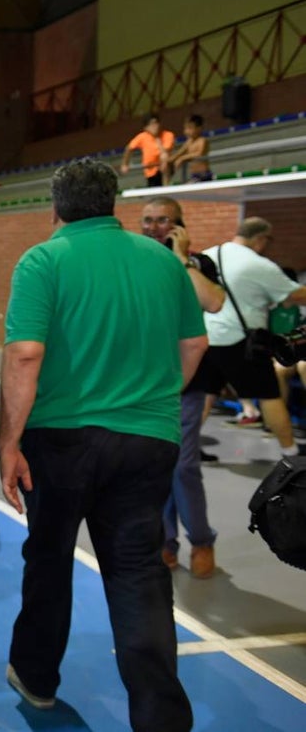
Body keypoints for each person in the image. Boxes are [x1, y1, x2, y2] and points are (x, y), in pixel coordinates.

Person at [0, 157, 203, 731]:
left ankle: (37, 678)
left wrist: (7, 442)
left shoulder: (44, 260)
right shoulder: (163, 262)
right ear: (113, 203)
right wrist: (152, 401)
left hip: (59, 441)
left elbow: (23, 354)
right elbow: (194, 344)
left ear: (56, 206)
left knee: (49, 560)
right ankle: (161, 716)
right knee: (139, 572)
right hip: (148, 442)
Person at [140, 197, 225, 578]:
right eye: (148, 221)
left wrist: (181, 257)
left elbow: (214, 302)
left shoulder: (197, 264)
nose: (154, 227)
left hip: (188, 379)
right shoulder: (136, 259)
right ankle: (166, 541)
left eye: (163, 221)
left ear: (179, 226)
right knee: (158, 464)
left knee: (184, 464)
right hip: (145, 382)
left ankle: (202, 539)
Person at [199, 218, 306, 461]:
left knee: (204, 394)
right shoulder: (258, 264)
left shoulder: (209, 255)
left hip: (208, 335)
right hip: (241, 341)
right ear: (260, 239)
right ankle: (290, 451)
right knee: (269, 395)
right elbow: (295, 295)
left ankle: (185, 448)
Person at [120, 113, 176, 187]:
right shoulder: (142, 136)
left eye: (156, 123)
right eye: (151, 124)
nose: (154, 126)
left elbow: (166, 152)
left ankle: (166, 185)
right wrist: (125, 164)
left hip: (164, 169)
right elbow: (129, 148)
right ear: (146, 127)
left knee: (164, 157)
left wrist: (157, 139)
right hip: (150, 171)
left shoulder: (168, 135)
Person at [169, 114, 211, 182]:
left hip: (204, 174)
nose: (187, 131)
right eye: (185, 128)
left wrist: (182, 158)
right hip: (194, 175)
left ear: (199, 128)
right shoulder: (188, 142)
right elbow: (180, 152)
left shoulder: (202, 140)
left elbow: (199, 154)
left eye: (190, 128)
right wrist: (169, 160)